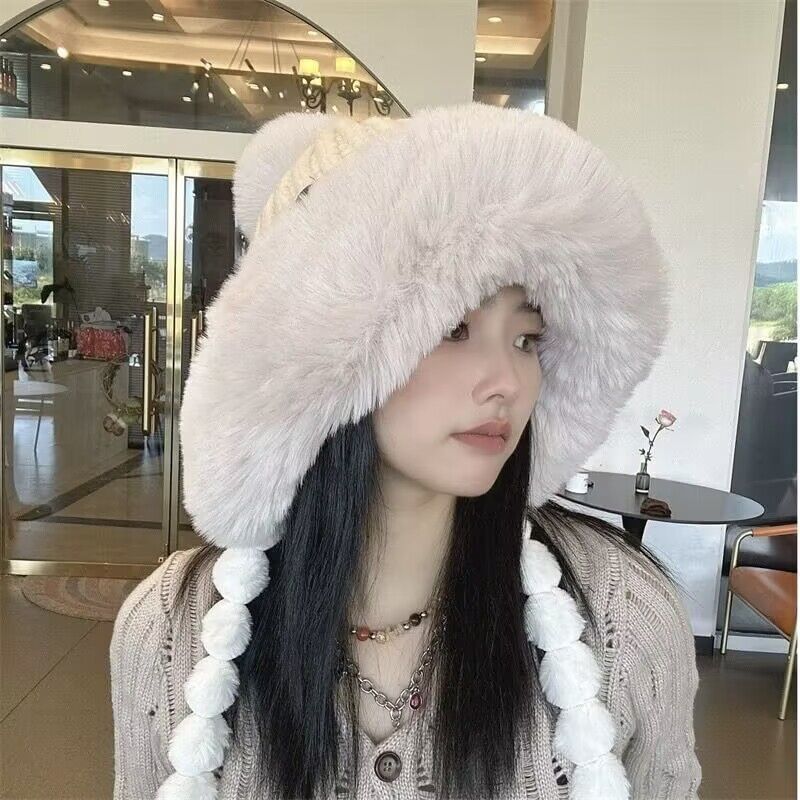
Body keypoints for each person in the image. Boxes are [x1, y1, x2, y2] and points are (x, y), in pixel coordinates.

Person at [110, 103, 702, 800]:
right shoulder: (170, 628)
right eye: (453, 328)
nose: (507, 381)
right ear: (324, 350)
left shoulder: (623, 615)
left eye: (527, 338)